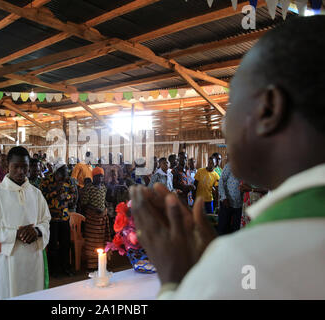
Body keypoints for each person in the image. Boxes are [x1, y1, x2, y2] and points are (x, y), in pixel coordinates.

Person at [130, 16, 325, 299]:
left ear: (268, 110)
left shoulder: (252, 256)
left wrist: (177, 279)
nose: (224, 125)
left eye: (233, 103)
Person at [0, 147, 51, 299]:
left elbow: (46, 221)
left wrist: (37, 231)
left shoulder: (36, 194)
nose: (20, 171)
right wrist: (14, 234)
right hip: (8, 259)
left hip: (33, 258)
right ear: (7, 167)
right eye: (15, 167)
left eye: (24, 167)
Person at [41, 160, 77, 277]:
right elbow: (42, 198)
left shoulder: (69, 181)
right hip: (51, 219)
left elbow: (73, 196)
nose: (66, 176)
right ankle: (54, 270)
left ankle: (65, 267)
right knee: (52, 246)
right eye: (64, 173)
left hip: (64, 218)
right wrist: (55, 191)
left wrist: (66, 196)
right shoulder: (47, 181)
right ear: (57, 173)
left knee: (65, 244)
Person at [80, 166, 110, 270]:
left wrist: (104, 209)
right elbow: (84, 203)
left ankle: (100, 263)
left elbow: (104, 201)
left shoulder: (104, 188)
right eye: (98, 176)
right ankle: (92, 265)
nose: (100, 179)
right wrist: (95, 209)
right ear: (93, 177)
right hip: (92, 220)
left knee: (101, 241)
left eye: (102, 177)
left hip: (101, 219)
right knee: (92, 242)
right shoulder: (89, 188)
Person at [218, 162, 242, 235]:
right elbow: (221, 181)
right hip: (227, 203)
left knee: (236, 230)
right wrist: (224, 197)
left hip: (239, 205)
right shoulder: (230, 166)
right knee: (223, 229)